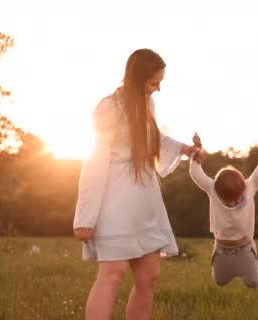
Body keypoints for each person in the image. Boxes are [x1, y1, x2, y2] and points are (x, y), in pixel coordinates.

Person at [72, 48, 196, 320]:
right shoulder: (108, 108)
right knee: (113, 274)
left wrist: (186, 149)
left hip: (143, 202)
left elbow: (153, 139)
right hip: (114, 202)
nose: (159, 88)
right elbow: (95, 160)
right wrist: (85, 216)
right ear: (136, 78)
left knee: (149, 275)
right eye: (154, 82)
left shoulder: (148, 104)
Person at [188, 133, 258, 288]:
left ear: (243, 189)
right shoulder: (212, 189)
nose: (233, 204)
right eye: (227, 201)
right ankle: (225, 270)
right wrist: (197, 156)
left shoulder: (250, 186)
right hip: (222, 249)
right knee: (220, 282)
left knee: (253, 282)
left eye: (237, 199)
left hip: (245, 249)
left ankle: (255, 268)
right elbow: (197, 175)